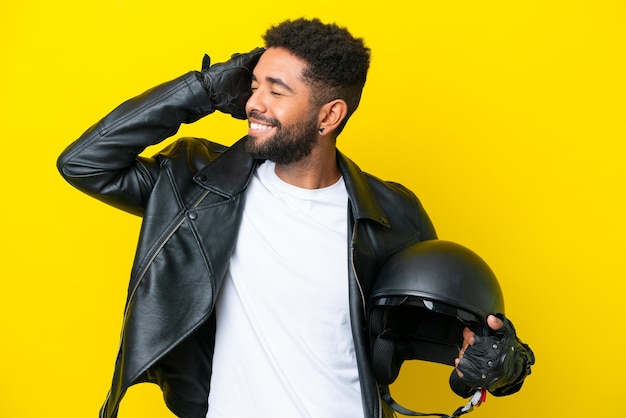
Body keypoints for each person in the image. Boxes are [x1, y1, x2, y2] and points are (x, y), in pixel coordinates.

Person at [58, 18, 530, 418]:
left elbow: (462, 337)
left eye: (276, 91)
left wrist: (501, 362)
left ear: (329, 116)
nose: (252, 103)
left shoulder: (392, 213)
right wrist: (201, 90)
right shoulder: (199, 186)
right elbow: (84, 162)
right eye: (253, 85)